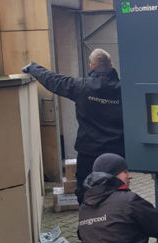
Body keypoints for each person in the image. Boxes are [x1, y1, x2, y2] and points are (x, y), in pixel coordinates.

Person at [22, 49, 124, 204]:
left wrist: (33, 68)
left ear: (91, 66)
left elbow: (54, 81)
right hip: (117, 152)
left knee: (86, 193)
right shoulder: (123, 89)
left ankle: (89, 223)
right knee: (118, 193)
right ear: (110, 65)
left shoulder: (81, 86)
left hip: (89, 154)